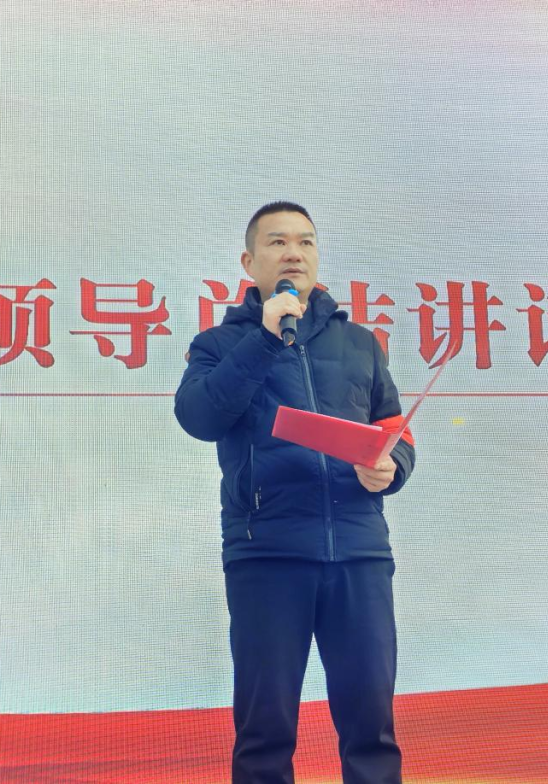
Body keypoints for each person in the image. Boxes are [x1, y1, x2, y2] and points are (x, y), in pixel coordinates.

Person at [175, 202, 416, 783]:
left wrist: (392, 467)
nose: (294, 253)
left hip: (359, 553)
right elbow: (199, 417)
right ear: (249, 262)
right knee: (265, 729)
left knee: (372, 724)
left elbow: (393, 427)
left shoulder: (359, 342)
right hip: (268, 553)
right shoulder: (218, 344)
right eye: (278, 242)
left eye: (306, 243)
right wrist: (263, 340)